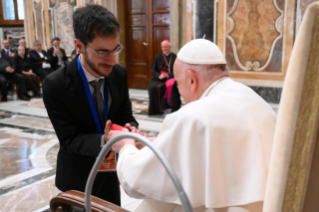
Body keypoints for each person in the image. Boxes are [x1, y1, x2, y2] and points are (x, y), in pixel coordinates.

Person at [112, 39, 276, 212]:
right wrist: (162, 142)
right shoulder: (257, 101)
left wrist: (125, 146)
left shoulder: (192, 116)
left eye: (178, 84)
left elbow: (136, 183)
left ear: (191, 79)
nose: (180, 92)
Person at [43, 5, 138, 206]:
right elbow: (69, 139)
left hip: (109, 173)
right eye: (102, 52)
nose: (112, 60)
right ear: (79, 46)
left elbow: (125, 115)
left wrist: (129, 129)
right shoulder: (56, 85)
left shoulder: (118, 74)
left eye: (116, 49)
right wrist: (105, 140)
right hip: (76, 178)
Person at [147, 40, 181, 115]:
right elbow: (153, 71)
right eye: (163, 47)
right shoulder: (158, 57)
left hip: (171, 77)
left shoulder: (175, 57)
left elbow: (178, 71)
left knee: (171, 85)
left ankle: (171, 107)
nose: (164, 49)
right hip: (159, 78)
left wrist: (167, 75)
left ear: (170, 47)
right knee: (152, 88)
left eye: (166, 47)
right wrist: (159, 76)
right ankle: (156, 109)